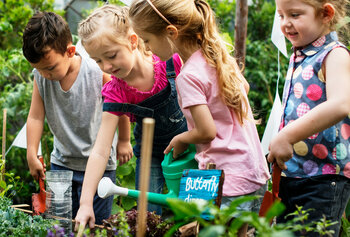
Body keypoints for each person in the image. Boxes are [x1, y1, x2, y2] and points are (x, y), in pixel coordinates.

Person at [129, 1, 270, 236]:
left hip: (226, 178)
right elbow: (243, 88)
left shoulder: (189, 75)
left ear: (171, 33)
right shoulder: (218, 57)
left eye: (147, 40)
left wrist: (182, 138)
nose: (146, 48)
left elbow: (206, 131)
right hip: (251, 169)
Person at [74, 4, 187, 229]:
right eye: (97, 61)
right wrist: (85, 203)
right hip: (151, 155)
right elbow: (100, 150)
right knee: (147, 217)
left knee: (193, 211)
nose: (106, 66)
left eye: (111, 55)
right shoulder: (116, 91)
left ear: (133, 41)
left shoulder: (170, 62)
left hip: (190, 148)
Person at [22, 11, 125, 225]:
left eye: (50, 68)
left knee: (96, 226)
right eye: (38, 69)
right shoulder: (40, 78)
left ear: (70, 51)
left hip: (100, 166)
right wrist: (31, 153)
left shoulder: (97, 72)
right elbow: (35, 117)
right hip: (62, 163)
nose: (45, 74)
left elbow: (119, 104)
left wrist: (124, 140)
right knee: (59, 224)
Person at [266, 0, 350, 236]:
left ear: (325, 13)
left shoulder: (335, 55)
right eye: (280, 15)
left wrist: (286, 136)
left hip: (322, 179)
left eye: (294, 14)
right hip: (293, 174)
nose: (285, 24)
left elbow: (341, 104)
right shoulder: (300, 55)